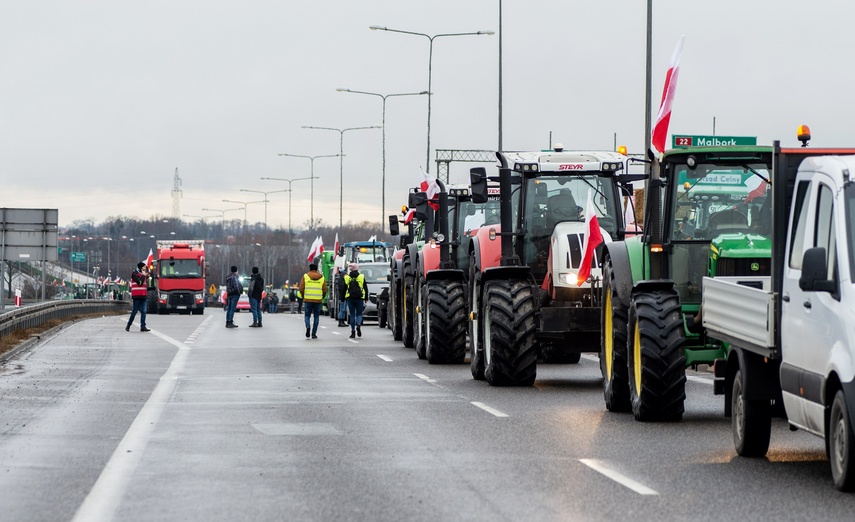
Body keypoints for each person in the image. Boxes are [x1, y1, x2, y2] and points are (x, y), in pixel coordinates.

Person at [299, 263, 326, 339]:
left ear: (310, 269)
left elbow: (301, 288)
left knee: (307, 316)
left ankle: (308, 326)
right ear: (317, 269)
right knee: (316, 317)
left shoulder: (306, 276)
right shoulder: (321, 277)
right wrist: (322, 297)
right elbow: (324, 290)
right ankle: (314, 333)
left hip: (308, 300)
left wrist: (303, 296)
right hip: (318, 300)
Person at [344, 262, 367, 339]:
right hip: (359, 298)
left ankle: (353, 331)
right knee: (359, 314)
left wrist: (342, 298)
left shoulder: (347, 277)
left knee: (352, 315)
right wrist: (366, 298)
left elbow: (344, 289)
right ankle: (359, 325)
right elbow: (365, 288)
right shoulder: (361, 277)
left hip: (350, 298)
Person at [126, 262, 151, 332]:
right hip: (137, 296)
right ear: (141, 267)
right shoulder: (134, 274)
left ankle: (143, 326)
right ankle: (128, 325)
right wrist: (143, 276)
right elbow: (140, 283)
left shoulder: (145, 275)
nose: (145, 268)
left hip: (143, 296)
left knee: (144, 311)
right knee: (134, 311)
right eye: (144, 267)